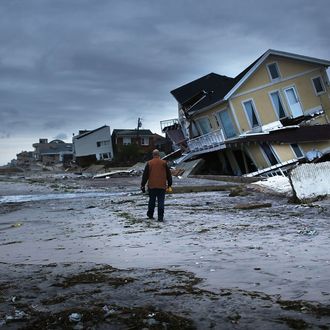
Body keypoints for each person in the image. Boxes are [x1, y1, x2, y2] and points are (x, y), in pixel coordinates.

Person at [141, 149, 172, 221]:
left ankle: (150, 215)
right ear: (159, 155)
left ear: (153, 155)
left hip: (152, 186)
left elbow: (145, 175)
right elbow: (169, 175)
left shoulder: (149, 163)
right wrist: (169, 184)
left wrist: (142, 185)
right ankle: (160, 217)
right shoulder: (164, 163)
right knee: (161, 201)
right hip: (162, 186)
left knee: (152, 201)